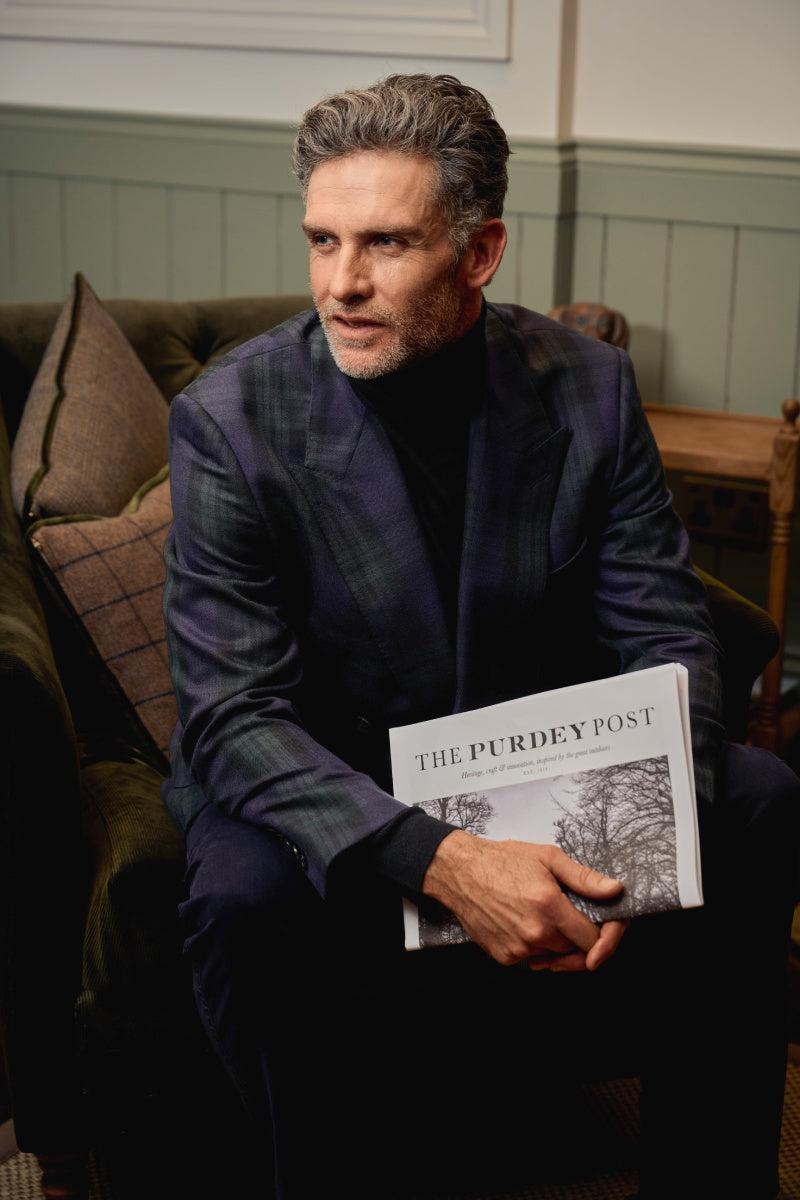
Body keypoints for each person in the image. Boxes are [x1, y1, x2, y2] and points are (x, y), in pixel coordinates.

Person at [162, 74, 799, 1199]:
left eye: (386, 243)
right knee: (241, 893)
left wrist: (628, 827)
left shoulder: (587, 386)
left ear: (480, 251)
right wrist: (448, 861)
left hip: (529, 758)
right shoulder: (229, 418)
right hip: (331, 773)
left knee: (758, 796)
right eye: (322, 240)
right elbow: (232, 716)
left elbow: (664, 632)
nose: (341, 283)